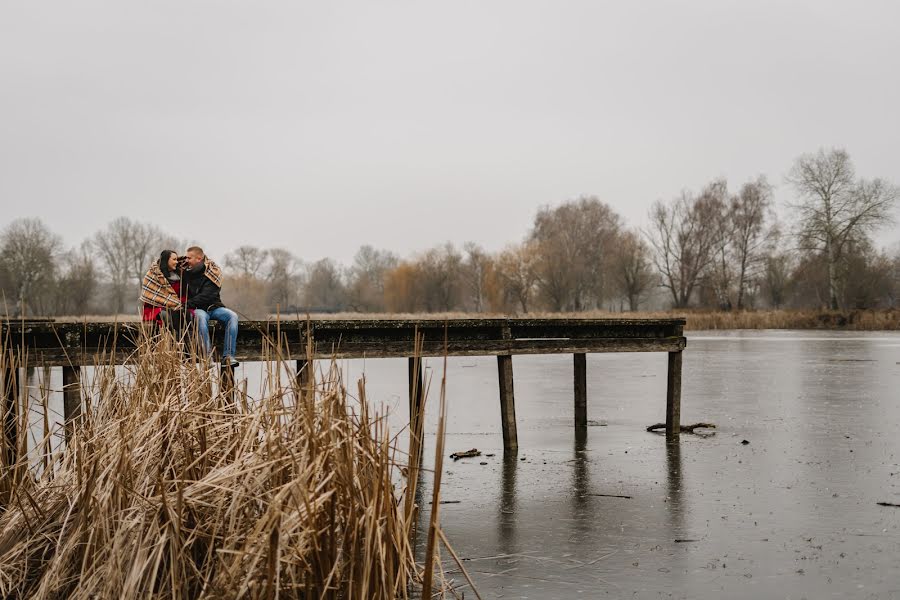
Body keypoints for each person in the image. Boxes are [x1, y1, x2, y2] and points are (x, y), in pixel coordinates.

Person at [182, 246, 240, 368]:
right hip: (197, 309)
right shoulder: (185, 273)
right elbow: (165, 266)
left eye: (189, 257)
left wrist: (186, 304)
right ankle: (207, 358)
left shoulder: (212, 273)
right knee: (200, 318)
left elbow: (207, 295)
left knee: (232, 316)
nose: (186, 260)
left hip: (214, 308)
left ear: (199, 258)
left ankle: (228, 356)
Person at [140, 250, 189, 332]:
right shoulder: (153, 276)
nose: (177, 262)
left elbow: (183, 295)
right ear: (166, 260)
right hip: (155, 308)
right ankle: (172, 340)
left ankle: (183, 341)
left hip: (176, 307)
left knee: (185, 314)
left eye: (177, 259)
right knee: (165, 315)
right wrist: (166, 303)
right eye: (174, 259)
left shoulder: (179, 276)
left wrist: (178, 303)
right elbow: (149, 296)